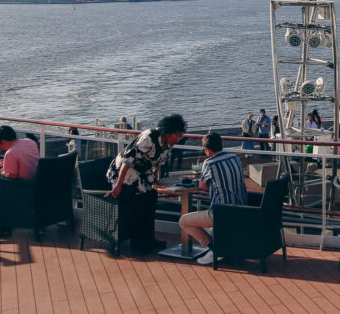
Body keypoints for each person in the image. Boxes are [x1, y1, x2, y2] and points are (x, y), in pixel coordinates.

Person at [106, 114, 187, 254]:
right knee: (140, 202)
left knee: (151, 197)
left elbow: (158, 162)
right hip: (126, 173)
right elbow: (127, 160)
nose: (178, 140)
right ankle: (137, 243)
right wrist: (119, 185)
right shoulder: (148, 139)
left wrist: (155, 179)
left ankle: (149, 239)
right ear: (169, 132)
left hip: (142, 171)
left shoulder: (167, 143)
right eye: (177, 136)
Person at [179, 132, 248, 265]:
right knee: (208, 224)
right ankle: (223, 247)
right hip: (242, 210)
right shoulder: (235, 157)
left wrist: (202, 177)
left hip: (221, 213)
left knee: (184, 221)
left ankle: (215, 249)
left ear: (207, 150)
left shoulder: (209, 163)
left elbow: (203, 186)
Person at [0, 125, 40, 233]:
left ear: (3, 141)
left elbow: (12, 176)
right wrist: (8, 163)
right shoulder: (30, 142)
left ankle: (2, 226)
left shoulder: (10, 153)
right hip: (36, 182)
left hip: (22, 188)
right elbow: (24, 159)